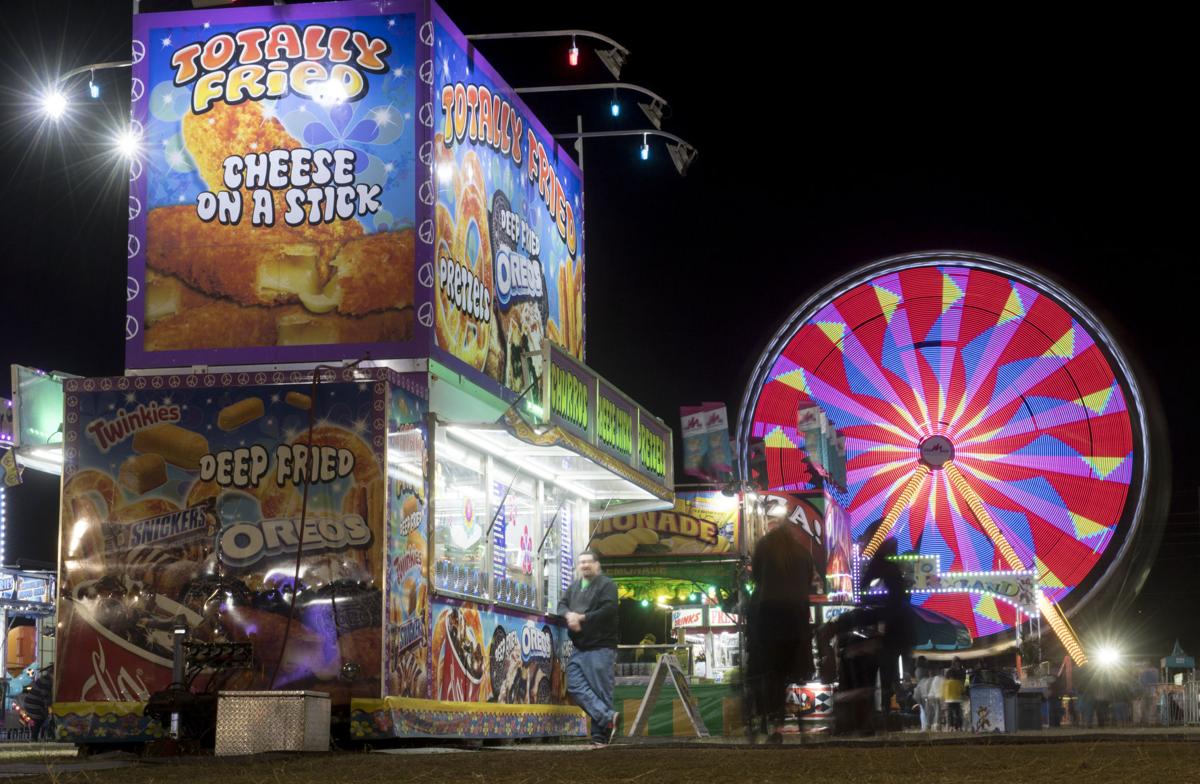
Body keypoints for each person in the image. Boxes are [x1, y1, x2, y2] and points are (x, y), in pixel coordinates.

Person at [745, 518, 814, 743]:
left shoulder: (765, 546)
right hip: (797, 617)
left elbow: (755, 578)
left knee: (767, 670)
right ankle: (798, 723)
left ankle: (773, 721)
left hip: (769, 616)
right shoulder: (802, 552)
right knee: (794, 671)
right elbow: (808, 582)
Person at [557, 550, 620, 746]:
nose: (584, 565)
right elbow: (561, 605)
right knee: (574, 686)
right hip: (579, 647)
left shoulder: (607, 585)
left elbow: (609, 610)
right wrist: (569, 616)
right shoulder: (574, 587)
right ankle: (609, 718)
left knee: (600, 691)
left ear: (597, 565)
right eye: (581, 562)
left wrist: (581, 618)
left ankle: (600, 737)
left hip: (601, 646)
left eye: (588, 562)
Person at [24, 665, 53, 741]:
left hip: (32, 702)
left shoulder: (45, 679)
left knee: (38, 720)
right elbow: (45, 695)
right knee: (38, 720)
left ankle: (35, 737)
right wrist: (49, 707)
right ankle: (34, 737)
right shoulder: (46, 680)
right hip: (34, 703)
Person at [944, 657, 966, 731]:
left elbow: (963, 682)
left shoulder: (961, 671)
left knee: (956, 712)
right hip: (952, 695)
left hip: (955, 695)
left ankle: (956, 726)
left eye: (958, 662)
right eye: (956, 662)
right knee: (953, 712)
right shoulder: (952, 671)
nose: (958, 663)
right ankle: (953, 726)